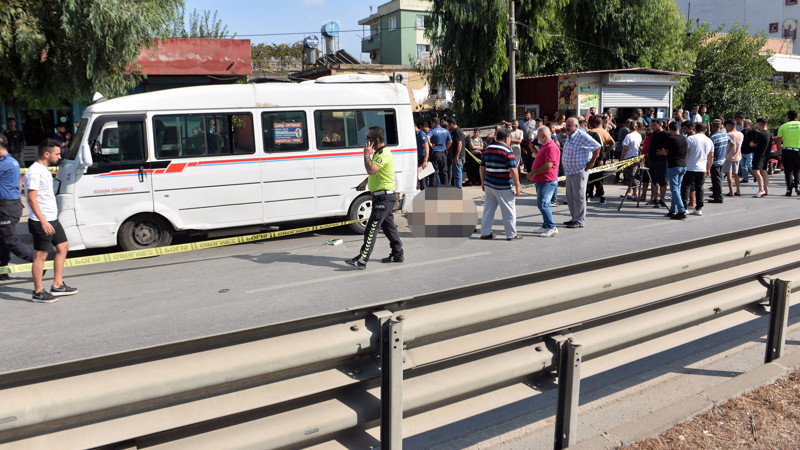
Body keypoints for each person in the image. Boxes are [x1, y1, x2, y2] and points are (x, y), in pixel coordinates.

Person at [24, 139, 78, 302]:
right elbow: (32, 199)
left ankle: (57, 285)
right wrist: (43, 221)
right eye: (57, 154)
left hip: (52, 218)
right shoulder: (34, 172)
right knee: (40, 256)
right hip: (41, 221)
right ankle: (38, 292)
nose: (59, 156)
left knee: (63, 247)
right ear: (46, 154)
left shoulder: (44, 170)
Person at [346, 127, 403, 269]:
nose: (366, 141)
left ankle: (362, 260)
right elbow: (375, 173)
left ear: (376, 140)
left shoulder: (383, 154)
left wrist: (366, 155)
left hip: (384, 197)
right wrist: (364, 183)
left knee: (371, 228)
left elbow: (371, 169)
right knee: (389, 227)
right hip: (382, 197)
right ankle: (398, 253)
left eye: (368, 138)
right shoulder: (379, 153)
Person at [0, 134, 34, 281]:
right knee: (2, 240)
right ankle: (2, 270)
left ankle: (37, 262)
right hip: (8, 206)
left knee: (9, 239)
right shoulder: (11, 161)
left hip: (7, 208)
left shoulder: (4, 163)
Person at [479, 128, 521, 240]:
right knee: (508, 210)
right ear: (507, 138)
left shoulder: (487, 149)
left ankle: (485, 232)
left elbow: (482, 167)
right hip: (503, 186)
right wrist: (517, 185)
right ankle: (511, 234)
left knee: (488, 210)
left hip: (489, 184)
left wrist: (483, 182)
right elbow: (513, 170)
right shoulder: (507, 151)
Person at [561, 118, 600, 228]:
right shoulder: (569, 136)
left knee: (579, 197)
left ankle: (579, 221)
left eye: (569, 125)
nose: (567, 127)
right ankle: (574, 218)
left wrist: (592, 162)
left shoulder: (582, 135)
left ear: (576, 126)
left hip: (579, 171)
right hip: (569, 171)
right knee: (570, 197)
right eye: (566, 124)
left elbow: (597, 147)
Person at [527, 126, 560, 237]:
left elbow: (549, 165)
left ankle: (552, 227)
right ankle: (546, 225)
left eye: (538, 136)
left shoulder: (551, 147)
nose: (537, 138)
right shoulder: (545, 146)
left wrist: (533, 172)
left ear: (544, 136)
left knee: (543, 204)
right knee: (544, 204)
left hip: (547, 180)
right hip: (542, 180)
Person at [681, 122, 713, 216]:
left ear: (695, 129)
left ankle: (684, 207)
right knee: (700, 188)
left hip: (690, 166)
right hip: (702, 167)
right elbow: (711, 156)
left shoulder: (690, 138)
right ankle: (698, 208)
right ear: (705, 130)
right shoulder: (709, 140)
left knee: (686, 186)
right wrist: (708, 168)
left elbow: (685, 151)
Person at [658, 121, 688, 220]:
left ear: (670, 130)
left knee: (674, 189)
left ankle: (681, 210)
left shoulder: (670, 138)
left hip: (673, 165)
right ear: (679, 128)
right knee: (677, 189)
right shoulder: (684, 138)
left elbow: (665, 151)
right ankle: (672, 209)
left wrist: (664, 153)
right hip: (683, 164)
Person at [589, 117, 615, 204]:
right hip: (601, 156)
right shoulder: (605, 132)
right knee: (599, 176)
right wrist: (606, 153)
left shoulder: (591, 131)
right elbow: (613, 143)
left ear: (594, 124)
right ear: (602, 124)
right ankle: (598, 193)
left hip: (592, 155)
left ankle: (591, 193)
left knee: (591, 176)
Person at [776, 109, 800, 196]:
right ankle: (797, 186)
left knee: (788, 171)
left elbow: (779, 140)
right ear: (797, 117)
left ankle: (789, 190)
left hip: (787, 151)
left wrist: (779, 151)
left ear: (788, 117)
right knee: (797, 170)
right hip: (798, 151)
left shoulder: (783, 126)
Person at [647, 119, 669, 207]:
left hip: (661, 161)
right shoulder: (654, 134)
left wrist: (664, 153)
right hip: (652, 160)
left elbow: (670, 147)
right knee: (653, 181)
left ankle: (662, 200)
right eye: (652, 125)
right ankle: (655, 198)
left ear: (661, 125)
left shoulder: (666, 134)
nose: (653, 127)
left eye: (655, 125)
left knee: (662, 181)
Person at [708, 120, 730, 203]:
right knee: (719, 178)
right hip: (722, 159)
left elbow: (710, 152)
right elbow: (732, 143)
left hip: (715, 161)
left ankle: (718, 197)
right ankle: (716, 194)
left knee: (716, 179)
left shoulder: (713, 137)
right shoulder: (725, 135)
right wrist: (727, 153)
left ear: (713, 127)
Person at [750, 118, 773, 197]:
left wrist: (754, 143)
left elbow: (752, 144)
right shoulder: (769, 133)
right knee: (764, 171)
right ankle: (766, 189)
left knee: (756, 172)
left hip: (759, 155)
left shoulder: (761, 134)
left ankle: (761, 189)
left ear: (760, 124)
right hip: (766, 154)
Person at [621, 121, 643, 200]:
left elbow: (625, 148)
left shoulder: (628, 136)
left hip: (629, 157)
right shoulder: (639, 135)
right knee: (632, 174)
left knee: (629, 176)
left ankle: (635, 192)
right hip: (636, 157)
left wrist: (621, 158)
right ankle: (631, 192)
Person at [427, 117, 451, 186]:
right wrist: (446, 148)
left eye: (431, 124)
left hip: (435, 153)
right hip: (443, 154)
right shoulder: (445, 131)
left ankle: (432, 190)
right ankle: (445, 190)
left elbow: (427, 137)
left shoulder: (432, 131)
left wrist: (430, 144)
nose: (431, 125)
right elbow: (450, 141)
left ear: (434, 123)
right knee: (444, 173)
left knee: (433, 172)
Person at [723, 119, 743, 197]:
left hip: (729, 156)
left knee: (729, 174)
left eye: (727, 126)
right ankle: (738, 190)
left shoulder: (728, 134)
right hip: (738, 156)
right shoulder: (741, 134)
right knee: (736, 174)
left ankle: (731, 191)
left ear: (730, 126)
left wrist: (726, 154)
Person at [446, 117, 465, 188]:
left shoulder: (457, 131)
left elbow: (459, 144)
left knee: (457, 175)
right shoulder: (455, 131)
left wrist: (457, 156)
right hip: (456, 156)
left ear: (451, 124)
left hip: (458, 157)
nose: (447, 127)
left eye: (448, 125)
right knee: (456, 174)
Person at [414, 120, 429, 190]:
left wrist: (425, 161)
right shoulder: (416, 134)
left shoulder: (421, 134)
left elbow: (426, 148)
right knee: (419, 179)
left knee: (422, 179)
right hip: (418, 158)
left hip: (422, 158)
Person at [740, 119, 755, 184]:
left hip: (750, 151)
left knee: (749, 165)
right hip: (742, 151)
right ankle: (745, 178)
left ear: (750, 124)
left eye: (746, 123)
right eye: (744, 123)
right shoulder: (742, 132)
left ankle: (756, 175)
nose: (745, 124)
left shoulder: (754, 132)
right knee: (743, 166)